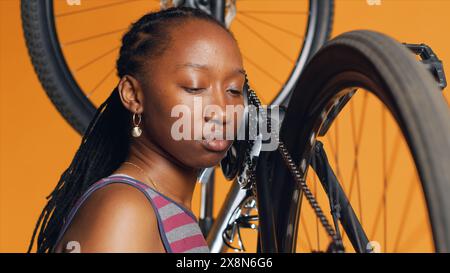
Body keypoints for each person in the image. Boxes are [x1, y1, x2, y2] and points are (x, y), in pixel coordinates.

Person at [27, 6, 246, 253]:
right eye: (194, 87)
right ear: (133, 95)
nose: (221, 110)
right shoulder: (125, 210)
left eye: (234, 90)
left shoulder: (163, 209)